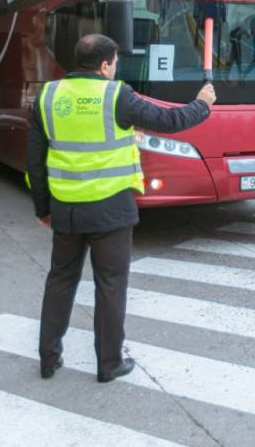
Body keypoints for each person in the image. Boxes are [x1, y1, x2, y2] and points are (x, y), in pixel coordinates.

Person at [26, 33, 215, 383]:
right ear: (104, 65)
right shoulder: (117, 95)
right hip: (111, 210)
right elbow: (170, 121)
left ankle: (48, 358)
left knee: (60, 281)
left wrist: (42, 207)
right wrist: (202, 103)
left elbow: (35, 159)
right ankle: (109, 363)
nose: (115, 68)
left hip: (66, 209)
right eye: (114, 62)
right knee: (110, 284)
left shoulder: (48, 95)